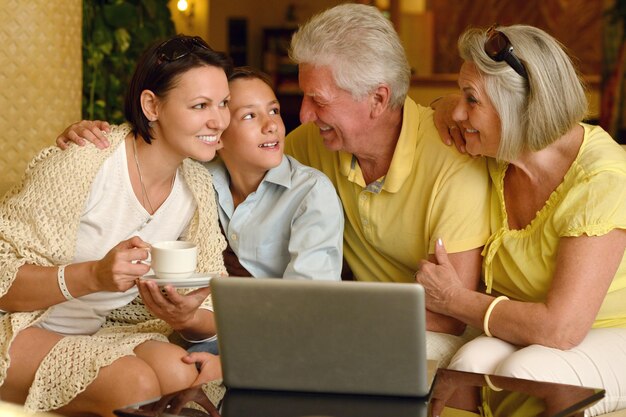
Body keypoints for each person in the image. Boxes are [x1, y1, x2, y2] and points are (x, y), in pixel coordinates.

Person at [57, 3, 490, 368]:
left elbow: (450, 315)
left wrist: (323, 323)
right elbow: (188, 139)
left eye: (318, 101)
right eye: (300, 100)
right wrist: (100, 139)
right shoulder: (308, 143)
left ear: (377, 99)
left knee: (331, 352)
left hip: (404, 326)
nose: (299, 117)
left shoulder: (452, 165)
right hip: (285, 321)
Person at [0, 34, 231, 416]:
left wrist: (185, 316)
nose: (218, 119)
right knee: (134, 384)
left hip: (103, 332)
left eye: (223, 103)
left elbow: (211, 300)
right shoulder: (83, 163)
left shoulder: (196, 185)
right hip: (19, 328)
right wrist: (93, 275)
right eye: (200, 105)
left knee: (180, 375)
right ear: (151, 105)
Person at [415, 24, 626, 415]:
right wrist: (449, 103)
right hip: (531, 324)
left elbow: (560, 329)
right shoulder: (499, 156)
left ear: (520, 108)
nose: (459, 113)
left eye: (471, 100)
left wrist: (454, 299)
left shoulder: (601, 180)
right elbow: (437, 111)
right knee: (469, 364)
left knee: (529, 371)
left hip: (611, 328)